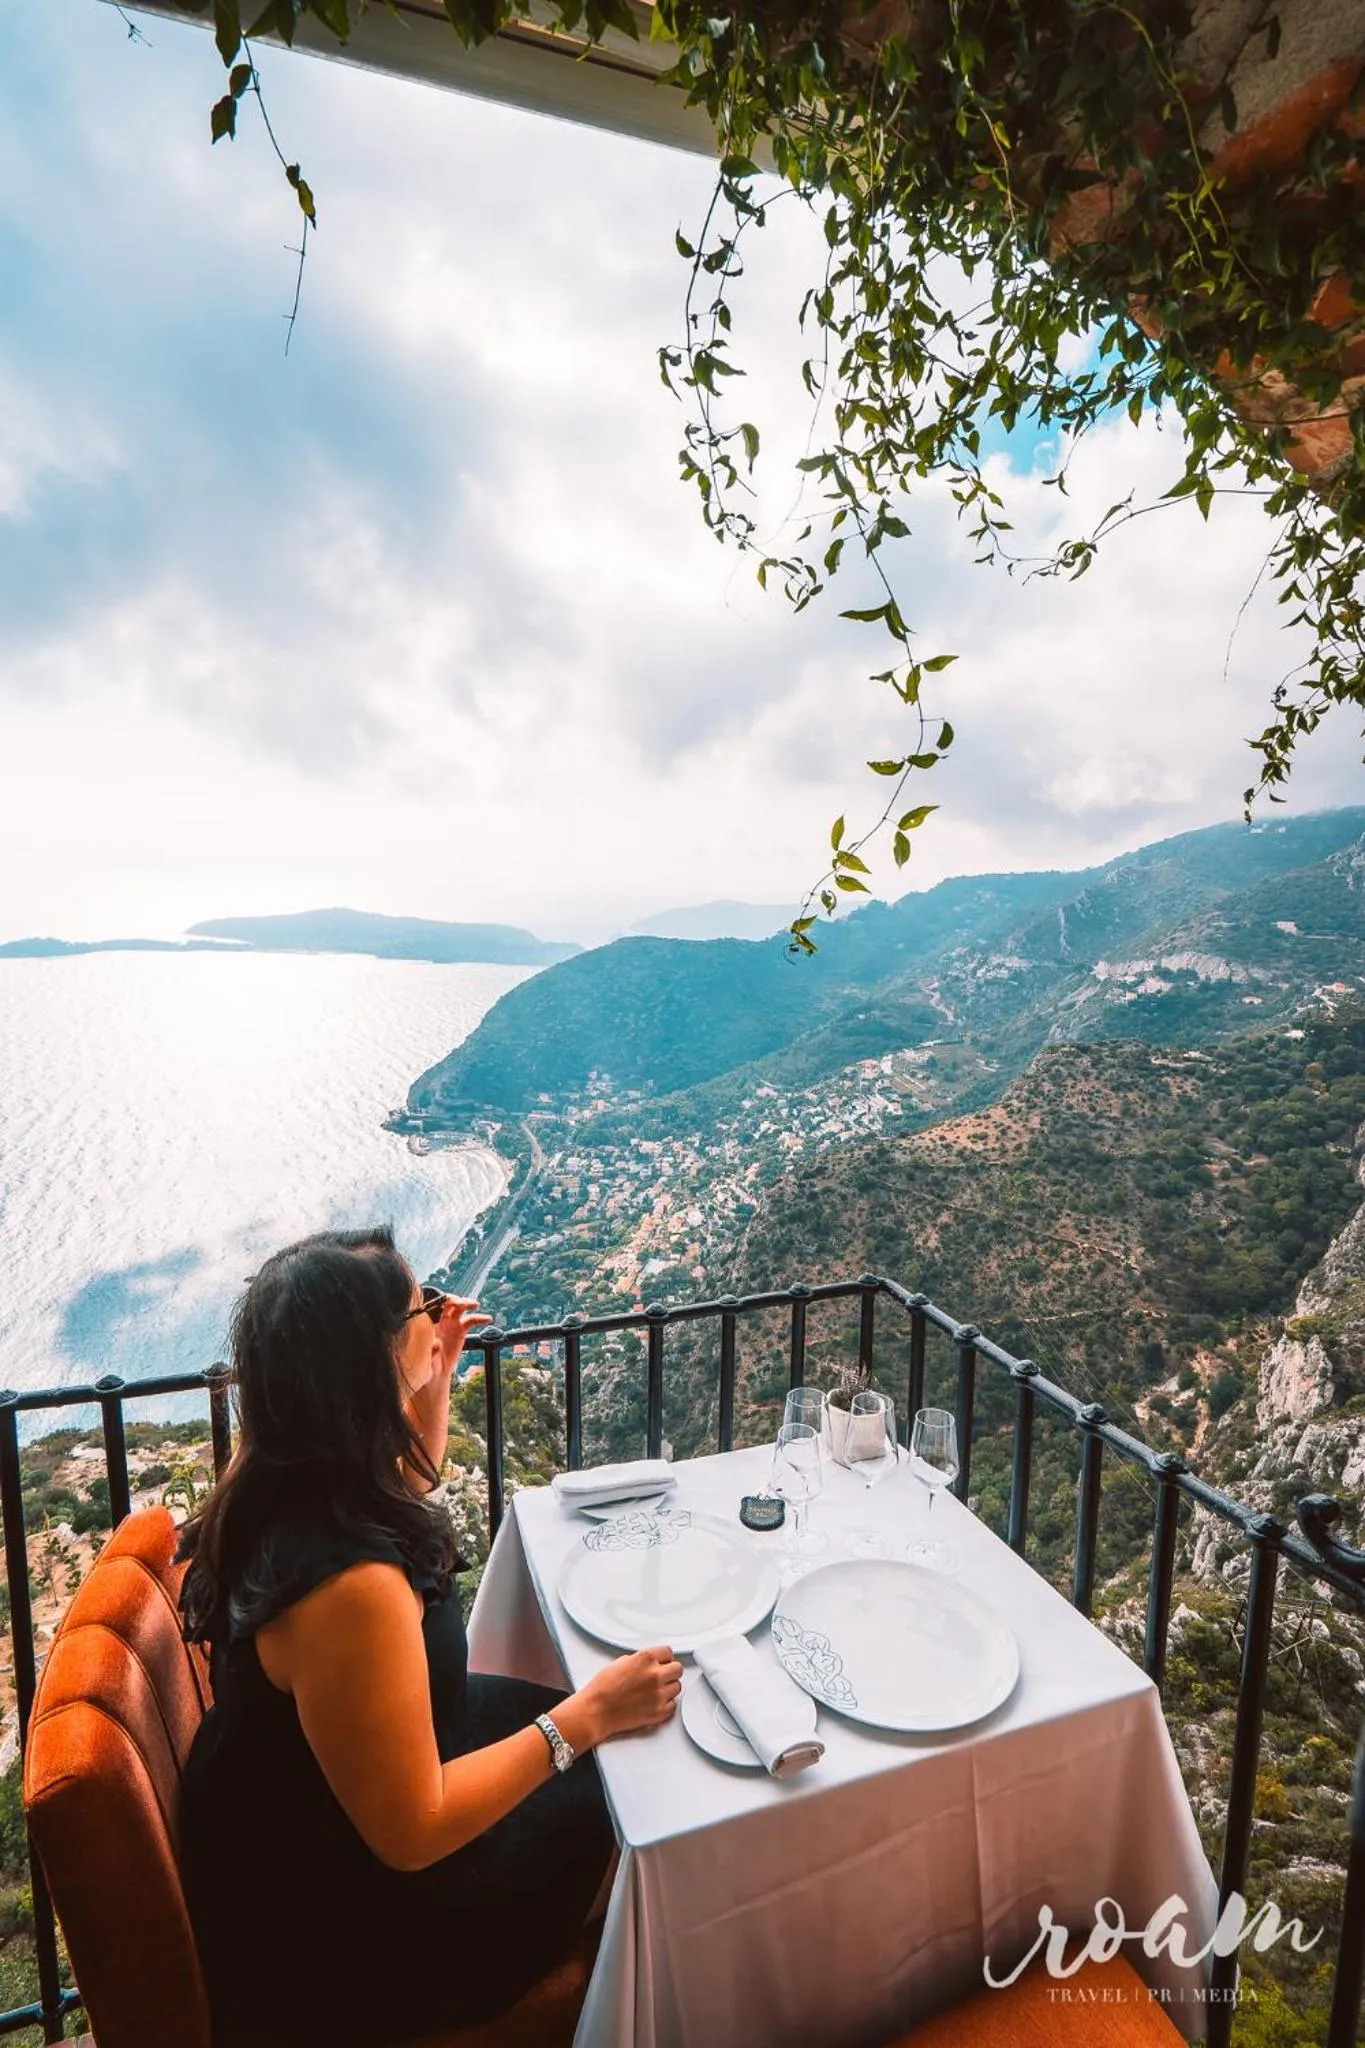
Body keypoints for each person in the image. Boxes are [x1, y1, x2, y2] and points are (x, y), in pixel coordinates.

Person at [177, 1225, 682, 2048]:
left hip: (309, 1825)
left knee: (605, 1750)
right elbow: (411, 1831)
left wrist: (434, 1375)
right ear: (370, 1363)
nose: (439, 1310)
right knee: (630, 1804)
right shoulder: (352, 1592)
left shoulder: (287, 1469)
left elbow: (402, 1484)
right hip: (352, 1926)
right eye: (423, 1307)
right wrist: (583, 1719)